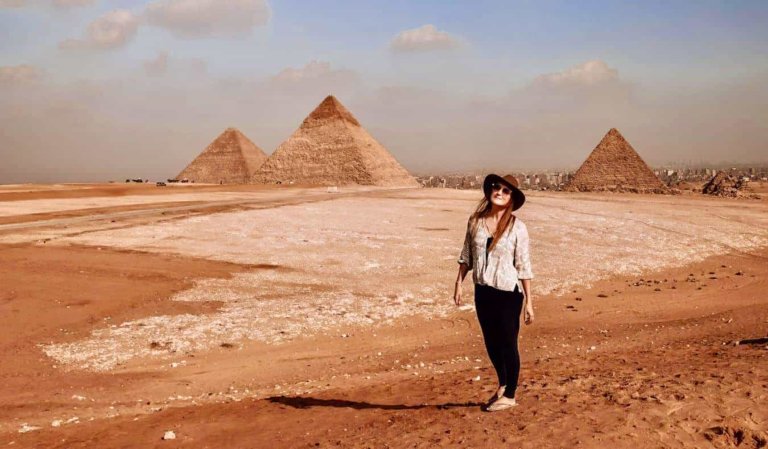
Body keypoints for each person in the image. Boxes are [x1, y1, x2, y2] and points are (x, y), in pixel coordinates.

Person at [454, 174, 534, 412]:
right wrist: (458, 282)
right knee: (491, 343)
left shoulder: (518, 227)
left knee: (508, 342)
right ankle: (502, 384)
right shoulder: (475, 221)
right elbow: (466, 255)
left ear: (511, 198)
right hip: (483, 290)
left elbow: (523, 265)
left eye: (506, 191)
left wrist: (529, 302)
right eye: (496, 187)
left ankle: (510, 394)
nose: (499, 192)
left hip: (508, 293)